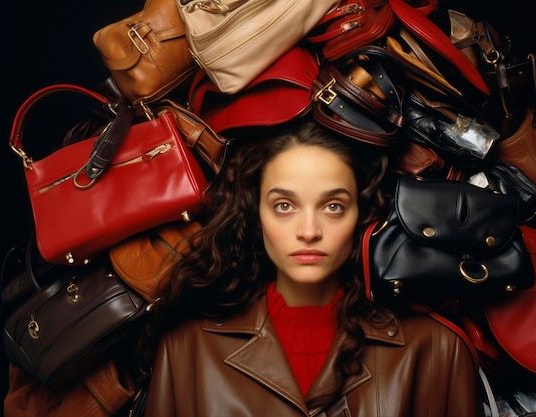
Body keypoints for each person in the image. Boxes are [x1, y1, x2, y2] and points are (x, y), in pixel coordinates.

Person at [141, 119, 483, 417]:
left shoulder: (437, 350)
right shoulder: (187, 348)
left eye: (333, 206)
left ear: (362, 216)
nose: (308, 231)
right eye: (284, 205)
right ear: (256, 214)